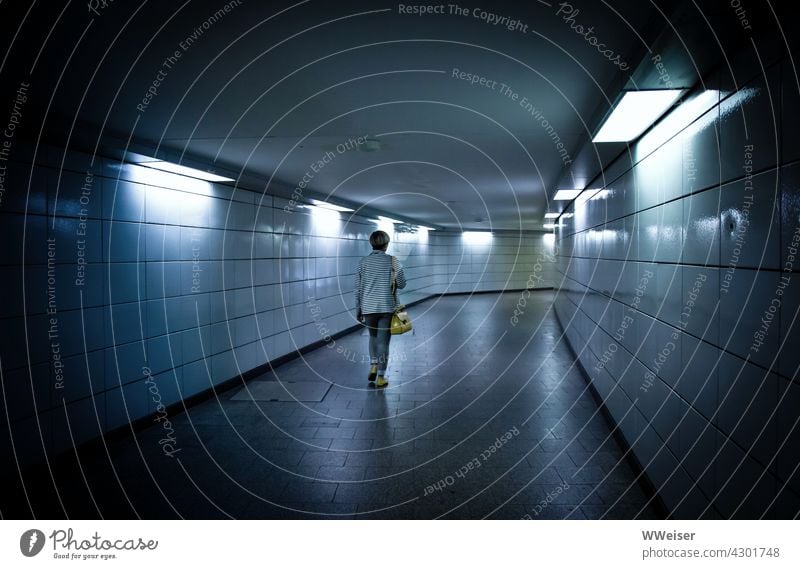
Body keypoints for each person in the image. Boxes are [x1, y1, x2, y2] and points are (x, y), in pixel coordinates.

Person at [354, 230, 406, 387]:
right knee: (383, 342)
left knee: (373, 337)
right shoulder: (393, 261)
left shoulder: (363, 262)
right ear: (386, 244)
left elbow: (357, 288)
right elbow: (403, 284)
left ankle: (374, 365)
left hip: (368, 307)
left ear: (372, 244)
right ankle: (381, 377)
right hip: (386, 307)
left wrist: (358, 309)